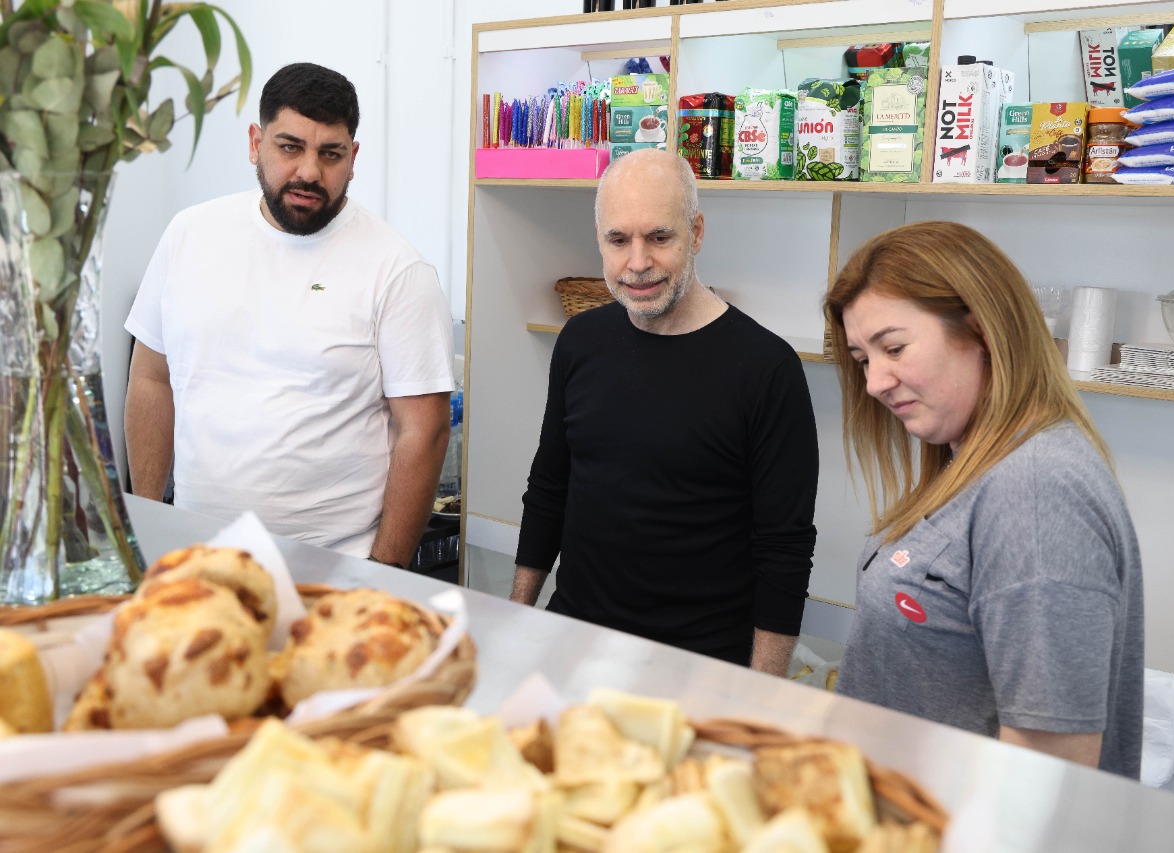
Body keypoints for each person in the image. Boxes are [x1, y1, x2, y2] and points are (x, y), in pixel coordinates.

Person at [824, 220, 1144, 777]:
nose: (875, 382)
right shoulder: (973, 463)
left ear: (981, 331)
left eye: (894, 348)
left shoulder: (1036, 492)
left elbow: (1047, 766)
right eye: (863, 359)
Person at [124, 63, 454, 570]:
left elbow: (424, 431)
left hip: (336, 566)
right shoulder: (189, 235)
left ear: (353, 158)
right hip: (195, 558)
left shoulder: (397, 269)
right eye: (290, 147)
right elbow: (151, 378)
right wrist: (147, 523)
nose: (309, 172)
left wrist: (383, 571)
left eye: (330, 154)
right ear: (255, 143)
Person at [510, 149, 819, 675]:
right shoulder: (580, 341)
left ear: (695, 233)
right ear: (599, 239)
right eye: (618, 240)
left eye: (659, 237)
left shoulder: (767, 369)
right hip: (573, 645)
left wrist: (760, 695)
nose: (637, 263)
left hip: (698, 668)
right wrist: (518, 622)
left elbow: (784, 549)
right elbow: (549, 488)